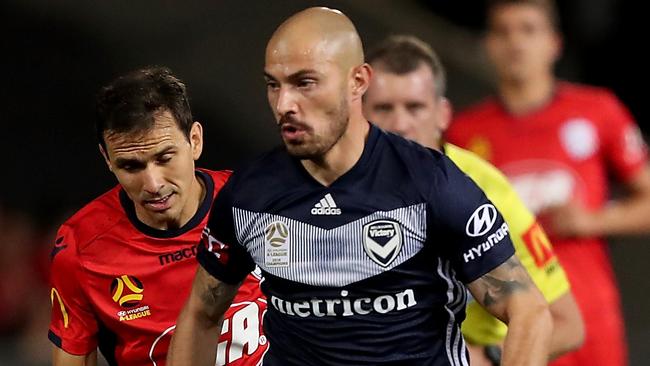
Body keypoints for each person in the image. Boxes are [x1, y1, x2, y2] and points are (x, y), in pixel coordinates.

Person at [168, 7, 552, 366]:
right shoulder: (249, 195)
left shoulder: (432, 183)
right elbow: (201, 315)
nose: (284, 103)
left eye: (305, 83)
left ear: (358, 81)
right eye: (273, 84)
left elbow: (529, 312)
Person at [446, 1, 650, 365]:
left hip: (591, 314)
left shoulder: (597, 110)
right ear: (488, 44)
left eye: (528, 30)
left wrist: (592, 220)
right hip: (517, 324)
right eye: (503, 32)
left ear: (554, 43)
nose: (516, 43)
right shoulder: (463, 133)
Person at [363, 34, 584, 365]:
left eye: (415, 107)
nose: (400, 124)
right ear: (358, 113)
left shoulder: (487, 193)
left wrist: (485, 356)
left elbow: (568, 326)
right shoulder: (329, 187)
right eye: (383, 108)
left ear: (442, 114)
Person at [48, 66, 268, 366]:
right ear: (107, 159)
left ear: (195, 140)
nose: (153, 185)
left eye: (164, 158)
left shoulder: (256, 206)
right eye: (131, 166)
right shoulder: (81, 248)